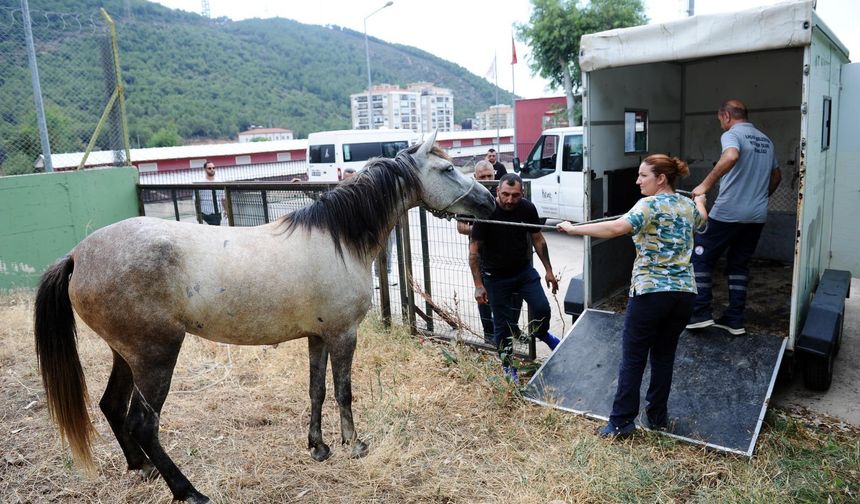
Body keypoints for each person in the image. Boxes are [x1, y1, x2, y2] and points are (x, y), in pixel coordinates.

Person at [557, 154, 708, 438]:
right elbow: (703, 219)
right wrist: (701, 198)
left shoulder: (648, 205)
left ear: (661, 178)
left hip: (651, 293)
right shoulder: (688, 205)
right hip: (684, 295)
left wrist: (573, 229)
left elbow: (615, 228)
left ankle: (621, 422)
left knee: (634, 357)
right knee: (664, 356)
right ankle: (657, 418)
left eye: (643, 176)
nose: (637, 181)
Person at [685, 99, 781, 336]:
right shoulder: (766, 140)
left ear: (727, 116)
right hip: (756, 216)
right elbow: (777, 176)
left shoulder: (732, 135)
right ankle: (735, 319)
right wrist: (758, 197)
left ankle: (700, 312)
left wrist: (704, 186)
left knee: (700, 257)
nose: (721, 124)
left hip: (728, 213)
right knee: (739, 264)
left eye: (720, 119)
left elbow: (730, 157)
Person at [470, 173, 560, 380]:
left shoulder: (527, 208)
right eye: (505, 194)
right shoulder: (486, 212)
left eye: (515, 195)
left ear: (522, 194)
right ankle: (508, 365)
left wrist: (548, 270)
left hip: (523, 271)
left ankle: (542, 333)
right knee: (502, 324)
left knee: (542, 308)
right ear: (497, 192)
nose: (510, 200)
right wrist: (478, 284)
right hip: (495, 277)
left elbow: (538, 239)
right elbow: (474, 252)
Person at [457, 161, 522, 344]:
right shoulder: (469, 198)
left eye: (489, 176)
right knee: (484, 295)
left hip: (510, 256)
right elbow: (461, 227)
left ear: (495, 175)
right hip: (482, 257)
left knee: (516, 295)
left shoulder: (504, 195)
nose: (486, 180)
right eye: (482, 177)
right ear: (475, 178)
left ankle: (512, 329)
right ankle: (489, 334)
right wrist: (486, 229)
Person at [196, 161, 225, 225]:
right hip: (205, 213)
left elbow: (223, 198)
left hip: (217, 212)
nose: (212, 170)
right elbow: (196, 200)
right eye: (209, 168)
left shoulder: (219, 182)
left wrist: (226, 210)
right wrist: (198, 214)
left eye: (213, 168)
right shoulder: (200, 183)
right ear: (205, 169)